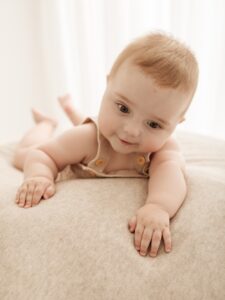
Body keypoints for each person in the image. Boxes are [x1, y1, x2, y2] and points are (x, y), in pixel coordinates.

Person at [12, 32, 199, 258]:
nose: (131, 130)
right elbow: (42, 155)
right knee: (24, 153)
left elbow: (171, 178)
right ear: (107, 85)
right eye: (123, 108)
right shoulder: (87, 138)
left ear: (177, 122)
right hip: (90, 142)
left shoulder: (163, 150)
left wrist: (158, 207)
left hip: (105, 132)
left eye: (153, 124)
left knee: (107, 127)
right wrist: (39, 177)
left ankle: (73, 111)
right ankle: (46, 124)